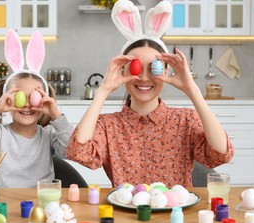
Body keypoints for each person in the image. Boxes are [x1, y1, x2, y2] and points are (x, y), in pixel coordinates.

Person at [66, 0, 234, 188]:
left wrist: (193, 90)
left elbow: (221, 153)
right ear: (122, 72)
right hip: (126, 215)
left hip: (174, 215)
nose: (144, 78)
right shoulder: (108, 126)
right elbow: (77, 152)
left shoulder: (184, 120)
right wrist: (103, 91)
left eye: (153, 68)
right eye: (136, 68)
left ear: (166, 70)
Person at [0, 30, 74, 188]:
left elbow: (72, 151)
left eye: (34, 96)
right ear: (7, 99)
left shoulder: (49, 135)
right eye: (20, 97)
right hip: (5, 202)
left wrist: (57, 116)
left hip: (41, 201)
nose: (27, 104)